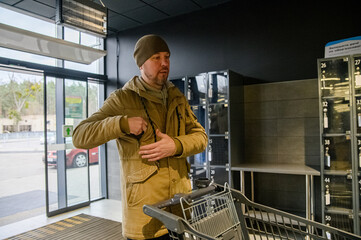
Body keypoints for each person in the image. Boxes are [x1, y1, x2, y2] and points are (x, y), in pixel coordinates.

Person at [72, 34, 208, 239]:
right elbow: (80, 135)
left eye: (167, 56)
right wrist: (121, 123)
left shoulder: (177, 97)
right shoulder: (123, 99)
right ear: (141, 64)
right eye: (156, 57)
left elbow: (201, 137)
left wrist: (176, 145)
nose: (164, 63)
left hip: (180, 210)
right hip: (146, 217)